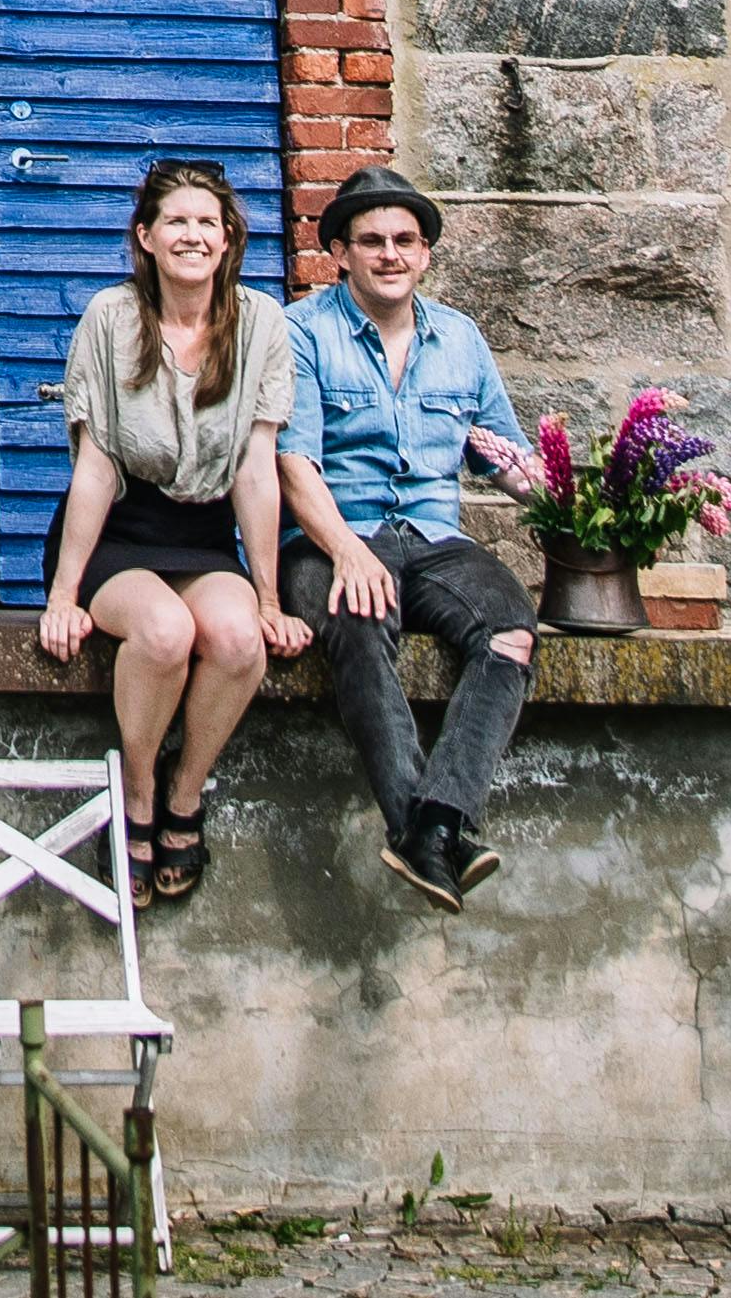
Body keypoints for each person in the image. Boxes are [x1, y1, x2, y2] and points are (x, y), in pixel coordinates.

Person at [32, 156, 313, 906]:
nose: (192, 235)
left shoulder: (260, 324)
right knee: (160, 632)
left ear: (227, 240)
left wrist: (268, 597)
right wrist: (64, 593)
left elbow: (257, 469)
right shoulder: (111, 317)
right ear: (146, 236)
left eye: (206, 222)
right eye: (176, 221)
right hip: (118, 528)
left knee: (235, 639)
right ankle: (138, 792)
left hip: (200, 531)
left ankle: (187, 795)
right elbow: (93, 465)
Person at [277, 165, 541, 906]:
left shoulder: (459, 338)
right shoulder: (301, 331)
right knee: (357, 620)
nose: (389, 253)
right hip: (337, 533)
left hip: (434, 541)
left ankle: (435, 822)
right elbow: (292, 463)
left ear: (424, 253)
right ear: (340, 252)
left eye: (404, 239)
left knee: (511, 631)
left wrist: (582, 505)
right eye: (371, 240)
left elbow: (505, 457)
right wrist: (347, 550)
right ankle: (416, 825)